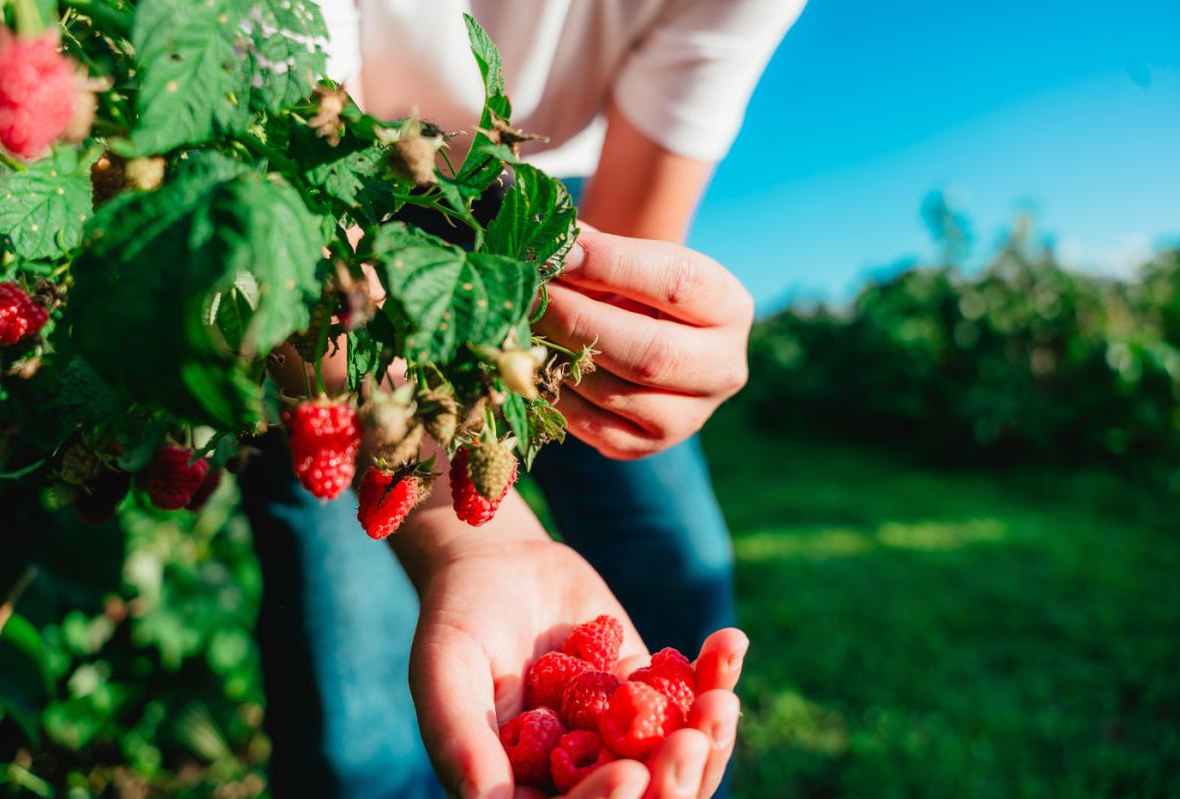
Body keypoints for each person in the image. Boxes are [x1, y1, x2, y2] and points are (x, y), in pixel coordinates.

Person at [238, 2, 806, 797]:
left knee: (675, 574)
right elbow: (292, 223)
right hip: (330, 198)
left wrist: (643, 355)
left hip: (552, 209)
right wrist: (477, 539)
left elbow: (621, 260)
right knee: (354, 714)